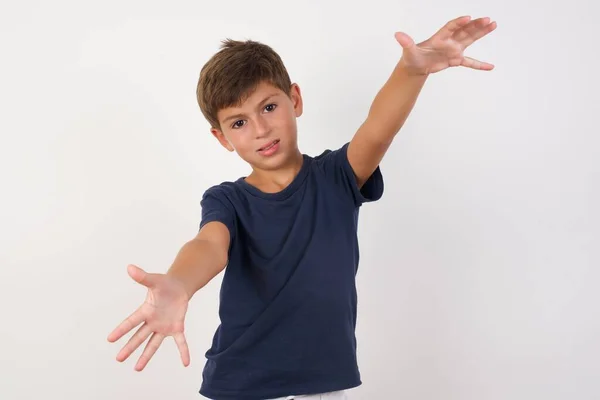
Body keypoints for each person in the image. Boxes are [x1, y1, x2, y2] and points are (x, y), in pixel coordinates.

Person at [107, 15, 497, 400]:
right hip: (243, 386)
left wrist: (411, 72)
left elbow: (378, 128)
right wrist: (178, 283)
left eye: (268, 108)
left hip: (324, 384)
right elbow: (209, 245)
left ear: (294, 99)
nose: (260, 130)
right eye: (238, 123)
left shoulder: (336, 176)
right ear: (222, 137)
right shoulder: (226, 199)